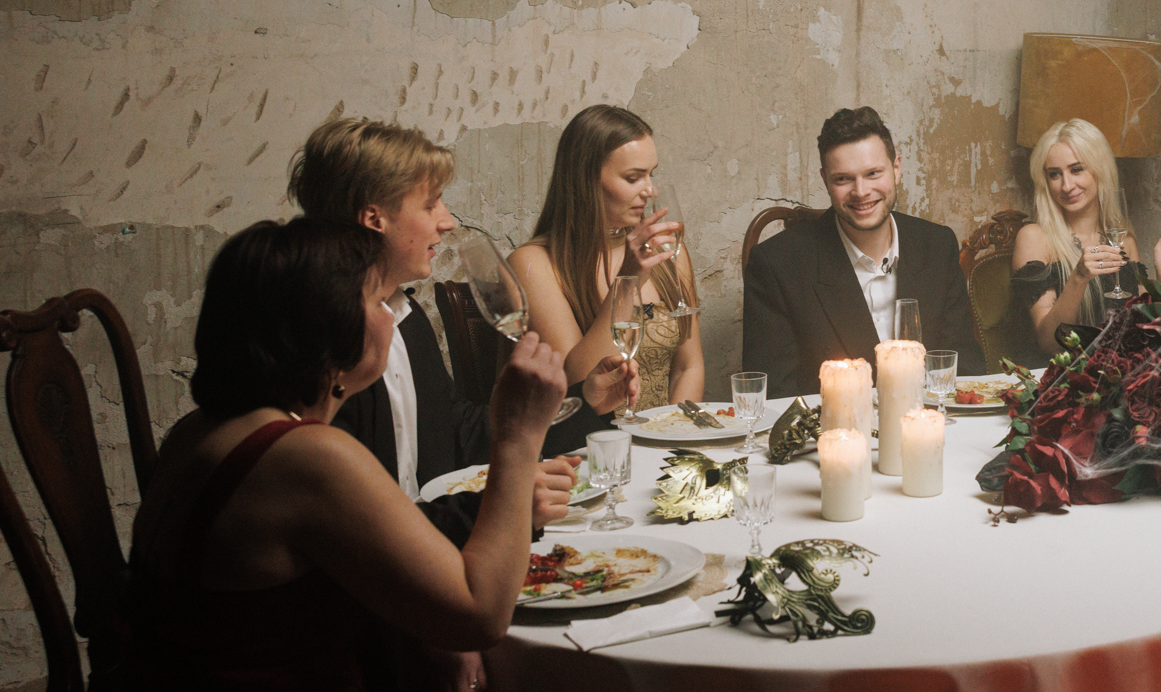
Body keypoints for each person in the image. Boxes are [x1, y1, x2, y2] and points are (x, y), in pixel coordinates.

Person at [95, 218, 564, 692]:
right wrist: (517, 437)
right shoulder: (308, 458)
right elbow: (481, 613)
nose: (391, 315)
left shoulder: (201, 431)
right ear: (328, 335)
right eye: (377, 300)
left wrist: (426, 628)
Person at [285, 116, 636, 540]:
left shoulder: (405, 317)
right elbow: (351, 527)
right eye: (431, 204)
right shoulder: (322, 343)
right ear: (375, 219)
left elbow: (462, 433)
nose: (448, 221)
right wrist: (505, 505)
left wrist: (586, 399)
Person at [744, 106, 986, 396]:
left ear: (896, 169)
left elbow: (965, 371)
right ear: (825, 180)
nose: (861, 192)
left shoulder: (937, 245)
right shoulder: (777, 265)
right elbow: (775, 399)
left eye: (873, 173)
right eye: (843, 179)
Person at [512, 105, 703, 447]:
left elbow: (689, 367)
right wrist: (628, 281)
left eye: (651, 174)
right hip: (588, 452)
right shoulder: (533, 264)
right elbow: (578, 382)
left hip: (665, 446)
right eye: (633, 178)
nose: (650, 190)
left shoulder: (668, 251)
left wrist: (671, 442)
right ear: (585, 180)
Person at [1010, 118, 1161, 363]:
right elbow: (1049, 344)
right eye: (1054, 174)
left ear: (1100, 170)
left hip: (1113, 372)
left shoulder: (1123, 240)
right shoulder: (1034, 237)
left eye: (1077, 169)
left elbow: (1142, 331)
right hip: (1058, 374)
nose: (1067, 185)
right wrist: (1079, 278)